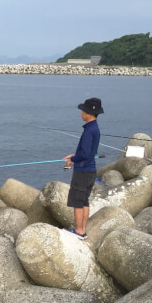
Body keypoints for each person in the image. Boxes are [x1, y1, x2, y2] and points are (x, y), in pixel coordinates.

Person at [63, 97, 103, 240]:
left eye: (83, 111)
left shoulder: (88, 131)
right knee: (84, 200)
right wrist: (74, 155)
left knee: (77, 202)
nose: (81, 113)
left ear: (89, 113)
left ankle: (79, 231)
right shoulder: (95, 128)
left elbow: (85, 154)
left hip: (83, 172)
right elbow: (90, 152)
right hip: (90, 171)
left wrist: (72, 160)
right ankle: (82, 230)